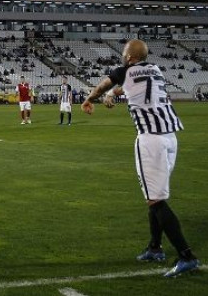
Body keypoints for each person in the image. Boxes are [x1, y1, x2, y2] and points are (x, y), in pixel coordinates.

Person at [81, 39, 200, 278]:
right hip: (171, 137)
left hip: (151, 139)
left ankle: (187, 256)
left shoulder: (123, 71)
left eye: (125, 54)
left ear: (129, 57)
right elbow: (131, 86)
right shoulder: (156, 70)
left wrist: (90, 99)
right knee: (152, 196)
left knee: (156, 200)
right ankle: (155, 248)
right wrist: (115, 94)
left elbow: (104, 85)